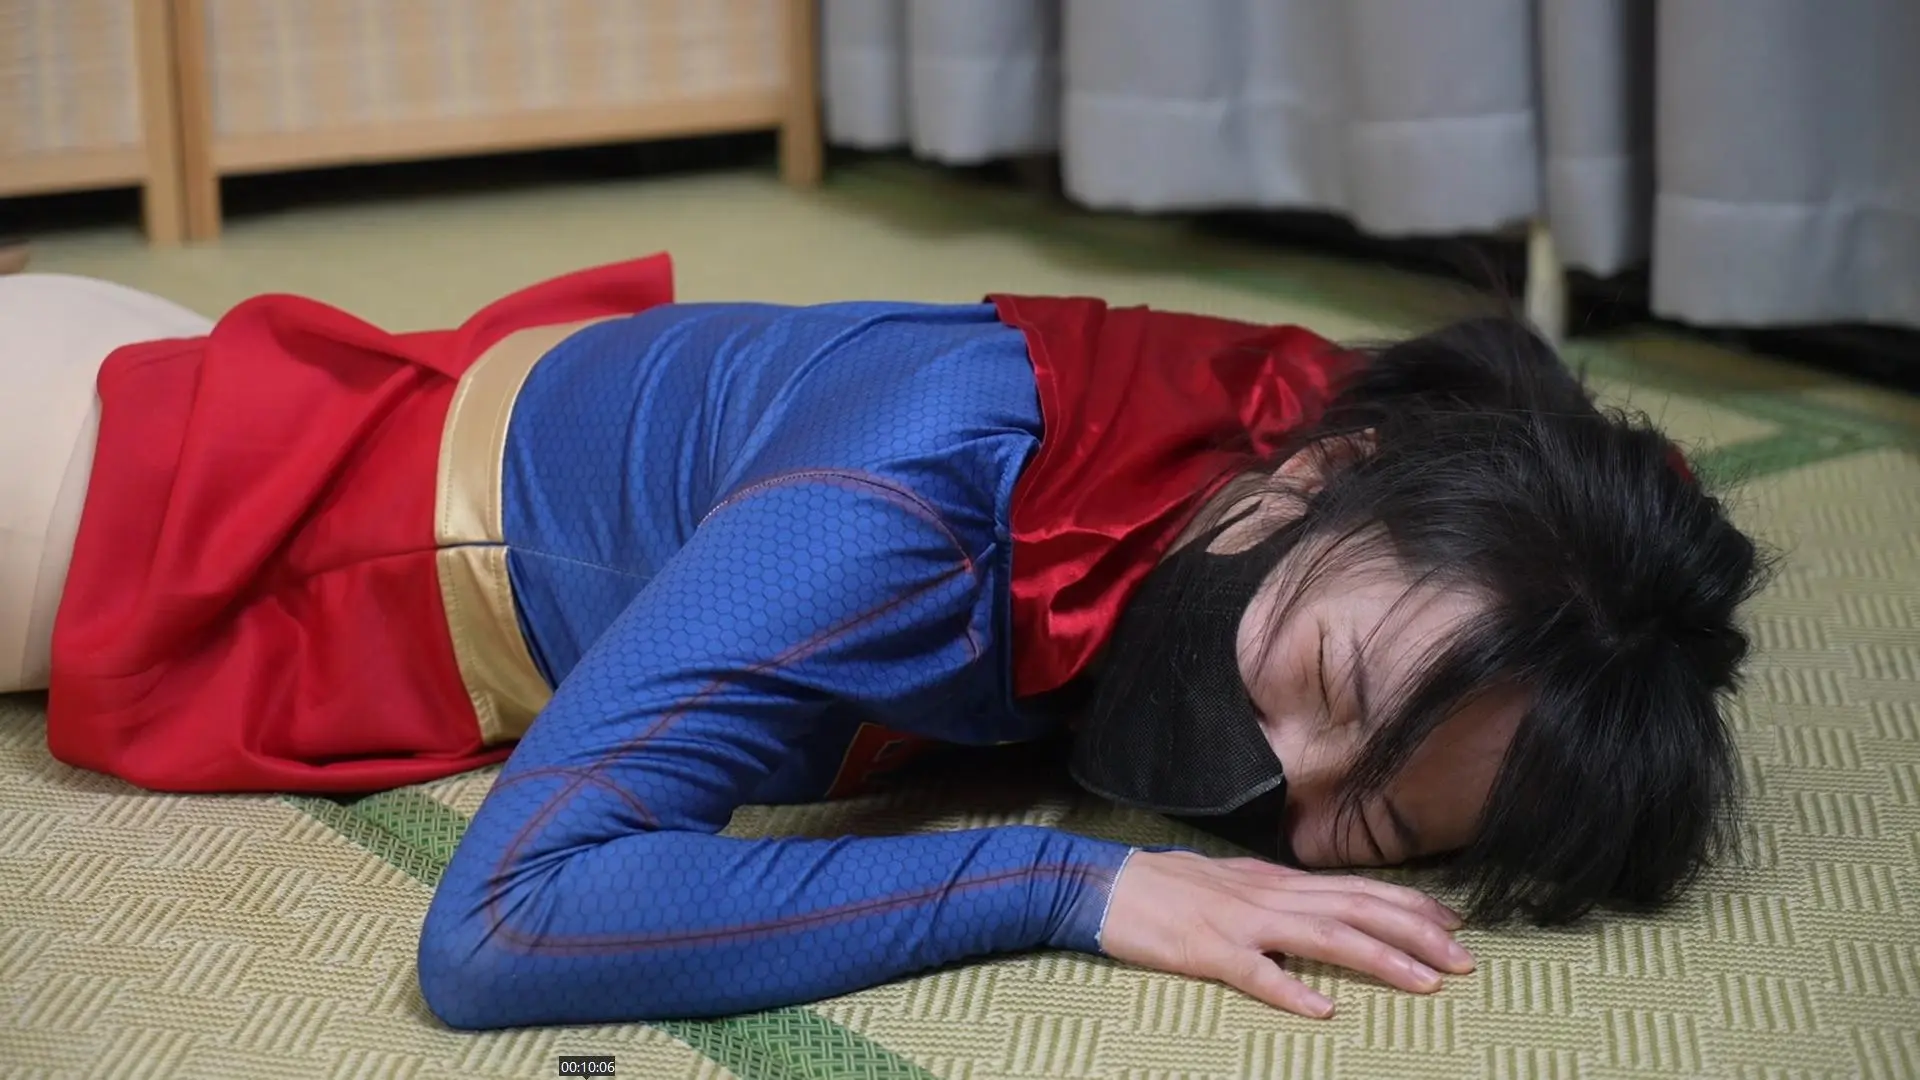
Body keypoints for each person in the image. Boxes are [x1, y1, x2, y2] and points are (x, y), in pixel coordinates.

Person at [0, 254, 1764, 1028]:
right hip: (129, 503)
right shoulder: (912, 492)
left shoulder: (1346, 457)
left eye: (1360, 821)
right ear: (1321, 472)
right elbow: (507, 923)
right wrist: (1072, 885)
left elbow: (1587, 490)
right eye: (1321, 687)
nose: (1270, 781)